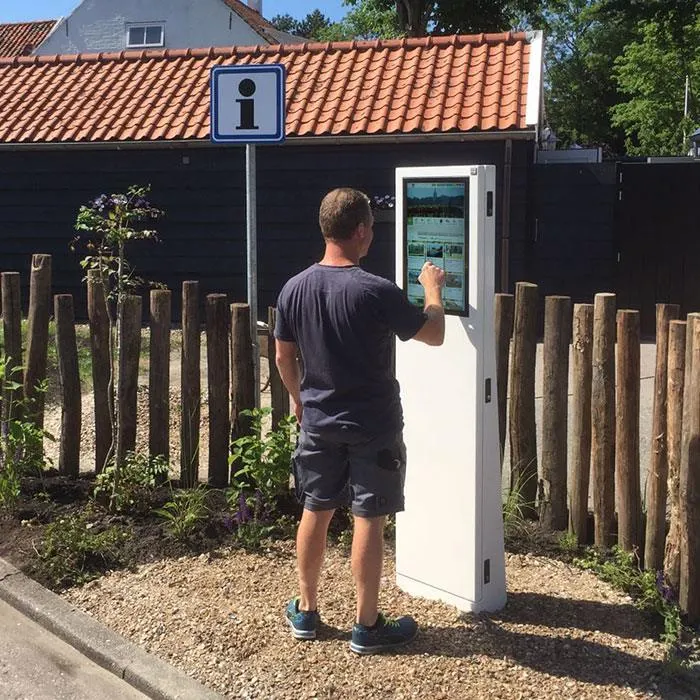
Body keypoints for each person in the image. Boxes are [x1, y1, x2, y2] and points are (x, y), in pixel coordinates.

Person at [274, 187, 445, 655]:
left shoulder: (294, 287)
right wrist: (432, 290)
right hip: (374, 423)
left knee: (316, 507)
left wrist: (298, 399)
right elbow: (433, 334)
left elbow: (283, 355)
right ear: (361, 231)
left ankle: (306, 611)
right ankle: (366, 625)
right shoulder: (375, 290)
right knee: (369, 516)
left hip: (319, 421)